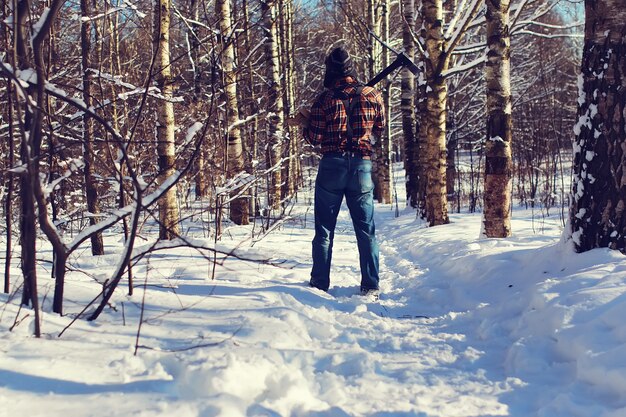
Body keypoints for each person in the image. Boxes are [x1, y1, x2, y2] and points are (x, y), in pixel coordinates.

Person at [297, 46, 385, 297]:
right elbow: (380, 128)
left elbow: (314, 137)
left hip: (332, 165)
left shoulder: (324, 100)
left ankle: (319, 283)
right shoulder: (372, 94)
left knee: (324, 229)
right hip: (361, 166)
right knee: (365, 229)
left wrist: (306, 121)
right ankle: (370, 284)